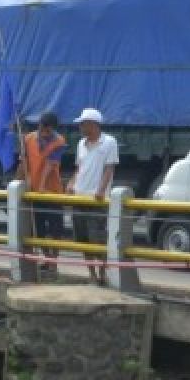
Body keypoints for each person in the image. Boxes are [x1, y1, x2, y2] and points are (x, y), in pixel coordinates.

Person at [66, 107, 119, 285]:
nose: (80, 127)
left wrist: (101, 190)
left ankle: (103, 272)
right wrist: (71, 183)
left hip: (96, 199)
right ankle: (92, 275)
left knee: (98, 238)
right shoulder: (81, 143)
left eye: (83, 124)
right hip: (79, 197)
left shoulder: (109, 142)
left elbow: (109, 168)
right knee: (83, 239)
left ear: (93, 125)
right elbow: (79, 168)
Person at [16, 112, 67, 278]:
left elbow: (51, 166)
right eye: (43, 130)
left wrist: (42, 188)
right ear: (39, 125)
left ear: (53, 129)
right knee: (38, 228)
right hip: (34, 192)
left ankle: (54, 261)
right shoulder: (28, 139)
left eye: (48, 131)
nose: (45, 133)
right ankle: (48, 258)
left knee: (56, 229)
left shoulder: (59, 141)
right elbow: (23, 163)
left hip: (52, 192)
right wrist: (18, 182)